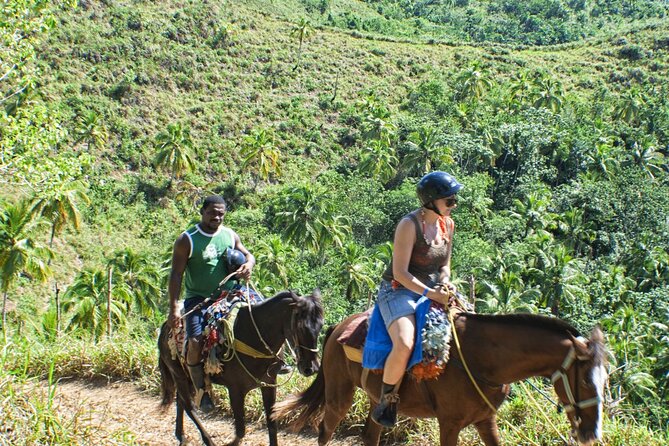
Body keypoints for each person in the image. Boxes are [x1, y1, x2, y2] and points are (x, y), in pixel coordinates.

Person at [371, 171, 462, 427]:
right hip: (398, 290)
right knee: (404, 342)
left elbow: (445, 265)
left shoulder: (448, 225)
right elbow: (400, 272)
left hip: (433, 287)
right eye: (450, 200)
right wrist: (431, 293)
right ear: (431, 201)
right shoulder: (409, 225)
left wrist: (444, 282)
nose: (454, 204)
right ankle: (387, 402)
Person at [167, 195, 255, 413]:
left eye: (221, 213)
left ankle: (273, 363)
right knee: (196, 341)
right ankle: (201, 389)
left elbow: (247, 254)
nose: (217, 217)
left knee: (265, 315)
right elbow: (176, 275)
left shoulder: (229, 234)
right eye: (212, 212)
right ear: (202, 212)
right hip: (200, 300)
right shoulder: (187, 239)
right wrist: (173, 308)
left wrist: (249, 264)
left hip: (232, 294)